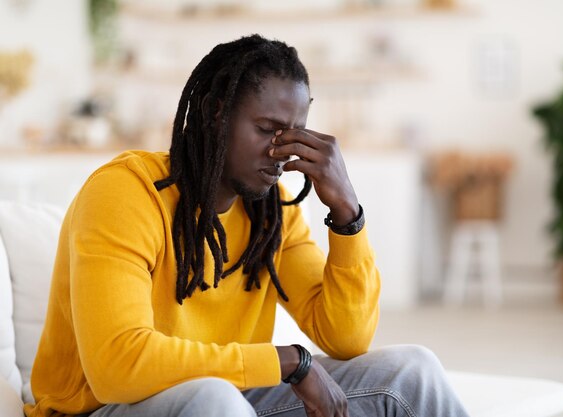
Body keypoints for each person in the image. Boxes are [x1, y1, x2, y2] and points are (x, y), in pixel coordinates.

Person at [25, 34, 469, 417]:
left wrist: (347, 213)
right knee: (215, 399)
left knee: (413, 370)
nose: (281, 150)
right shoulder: (125, 193)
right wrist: (289, 363)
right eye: (266, 129)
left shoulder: (272, 210)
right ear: (216, 114)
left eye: (295, 132)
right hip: (102, 409)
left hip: (224, 400)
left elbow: (346, 337)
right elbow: (116, 368)